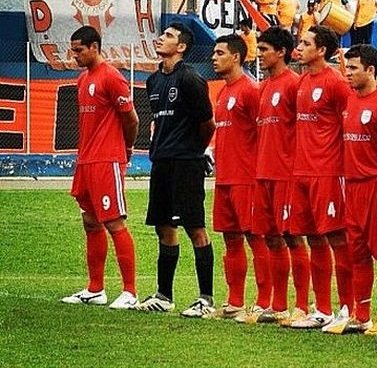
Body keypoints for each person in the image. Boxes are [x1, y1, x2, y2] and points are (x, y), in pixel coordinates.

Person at [135, 23, 216, 317]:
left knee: (195, 227)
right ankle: (164, 295)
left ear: (181, 47)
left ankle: (205, 299)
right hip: (161, 162)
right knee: (163, 227)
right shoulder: (153, 81)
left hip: (186, 162)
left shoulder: (191, 79)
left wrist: (194, 151)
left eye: (168, 36)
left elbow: (208, 123)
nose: (161, 38)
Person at [323, 44, 377, 335]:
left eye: (354, 68)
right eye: (347, 68)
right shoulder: (349, 100)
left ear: (370, 70)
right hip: (350, 184)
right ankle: (362, 315)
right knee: (357, 252)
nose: (348, 74)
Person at [61, 25, 139, 310]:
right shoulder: (83, 80)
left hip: (107, 160)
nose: (75, 56)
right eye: (73, 51)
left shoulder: (112, 77)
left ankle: (130, 291)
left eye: (79, 50)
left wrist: (125, 151)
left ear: (95, 47)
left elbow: (131, 120)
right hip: (86, 161)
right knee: (90, 221)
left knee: (114, 222)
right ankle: (96, 289)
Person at [289, 25, 353, 329]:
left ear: (322, 50)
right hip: (301, 171)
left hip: (327, 172)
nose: (299, 47)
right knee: (313, 238)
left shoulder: (336, 83)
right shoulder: (302, 82)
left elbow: (349, 127)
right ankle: (323, 308)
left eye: (306, 43)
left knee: (338, 238)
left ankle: (347, 308)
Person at [249, 26, 311, 326]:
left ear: (281, 52)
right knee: (271, 238)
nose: (259, 55)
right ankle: (278, 305)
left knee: (293, 238)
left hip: (286, 174)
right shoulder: (264, 88)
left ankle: (302, 305)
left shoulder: (294, 85)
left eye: (263, 50)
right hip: (263, 173)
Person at [210, 34, 272, 320]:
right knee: (231, 239)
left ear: (236, 57)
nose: (214, 57)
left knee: (256, 239)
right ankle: (234, 301)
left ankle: (263, 302)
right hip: (224, 178)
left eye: (220, 52)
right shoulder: (223, 92)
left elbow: (264, 135)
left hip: (247, 179)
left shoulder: (250, 90)